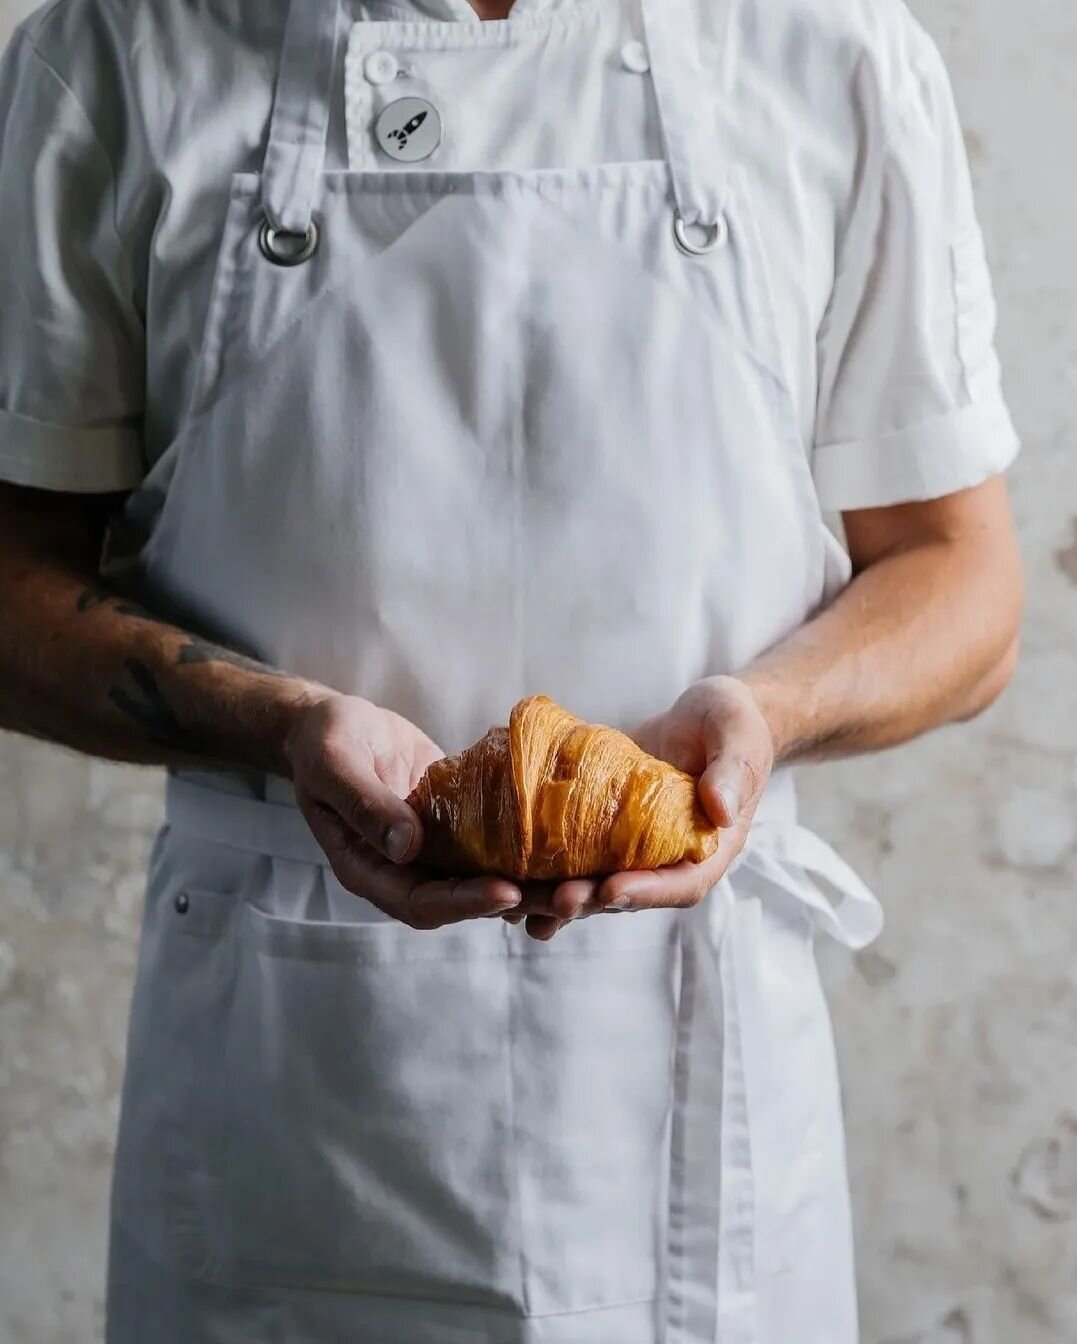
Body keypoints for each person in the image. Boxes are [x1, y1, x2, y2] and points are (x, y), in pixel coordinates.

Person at [0, 0, 1023, 1338]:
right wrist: (277, 723)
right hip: (283, 1108)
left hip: (699, 1119)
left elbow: (965, 582)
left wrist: (763, 718)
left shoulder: (825, 49)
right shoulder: (119, 54)